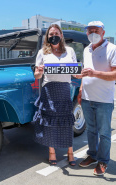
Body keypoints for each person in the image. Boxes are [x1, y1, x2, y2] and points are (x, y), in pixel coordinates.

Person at [33, 24, 77, 166]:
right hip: (49, 91)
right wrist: (39, 71)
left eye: (56, 33)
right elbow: (37, 75)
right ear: (47, 37)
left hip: (64, 90)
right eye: (51, 34)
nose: (53, 36)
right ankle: (52, 152)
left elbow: (75, 72)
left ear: (61, 35)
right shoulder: (42, 53)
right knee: (50, 123)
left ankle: (70, 152)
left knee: (67, 122)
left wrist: (84, 73)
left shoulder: (70, 51)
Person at [78, 21, 116, 176]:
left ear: (103, 32)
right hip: (87, 98)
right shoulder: (86, 50)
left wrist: (95, 74)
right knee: (91, 131)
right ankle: (92, 155)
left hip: (104, 100)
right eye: (90, 30)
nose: (92, 33)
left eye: (96, 30)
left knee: (105, 133)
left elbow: (114, 74)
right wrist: (81, 90)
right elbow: (85, 73)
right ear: (86, 33)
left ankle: (103, 160)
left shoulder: (112, 49)